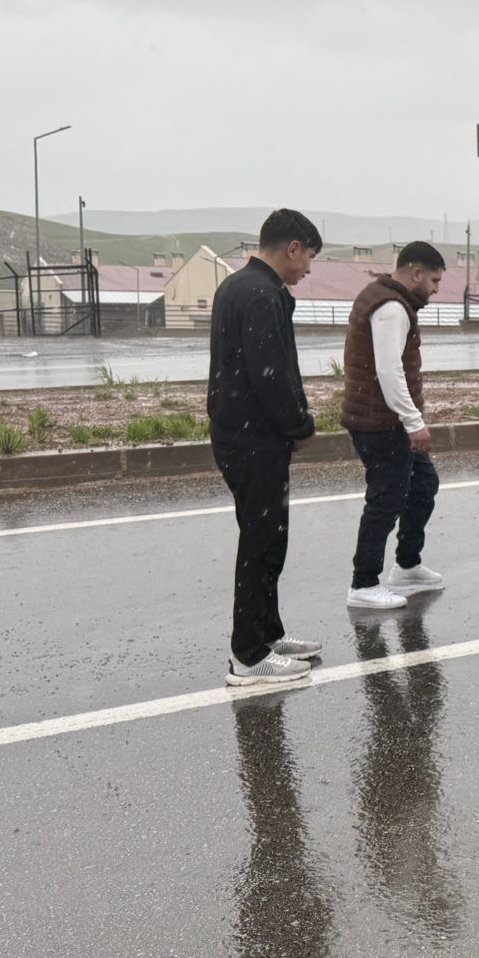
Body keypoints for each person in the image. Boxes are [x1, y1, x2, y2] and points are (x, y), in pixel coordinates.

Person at [208, 208, 323, 685]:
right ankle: (248, 656)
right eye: (308, 258)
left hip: (244, 433)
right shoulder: (259, 295)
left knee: (269, 540)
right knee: (260, 544)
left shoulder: (242, 286)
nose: (308, 270)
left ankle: (268, 633)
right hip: (253, 439)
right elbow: (270, 373)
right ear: (291, 248)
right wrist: (298, 425)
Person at [341, 240, 447, 610]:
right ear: (415, 273)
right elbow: (389, 370)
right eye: (433, 280)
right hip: (381, 423)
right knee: (386, 500)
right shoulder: (391, 307)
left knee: (423, 485)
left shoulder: (388, 298)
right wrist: (413, 421)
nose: (435, 289)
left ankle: (407, 565)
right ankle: (364, 583)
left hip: (383, 419)